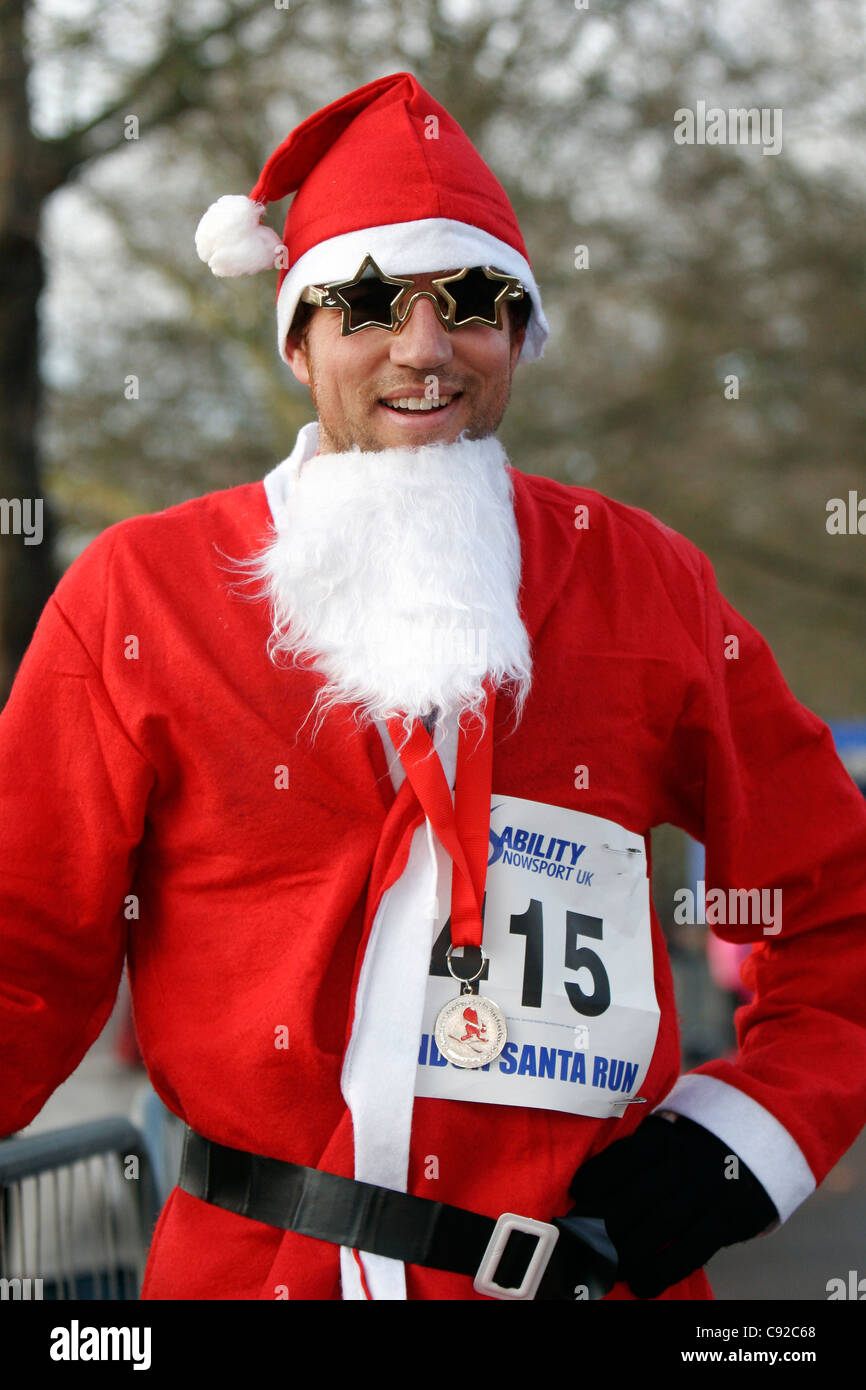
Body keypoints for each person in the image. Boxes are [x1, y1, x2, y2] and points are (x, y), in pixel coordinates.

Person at [2, 71, 865, 1303]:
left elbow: (834, 906)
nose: (422, 348)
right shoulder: (140, 596)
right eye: (365, 305)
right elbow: (20, 948)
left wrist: (727, 1154)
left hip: (588, 1280)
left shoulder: (647, 584)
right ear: (297, 340)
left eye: (470, 302)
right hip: (257, 1274)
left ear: (516, 334)